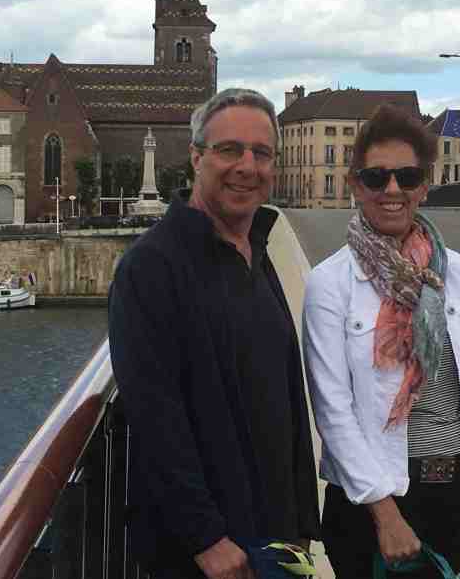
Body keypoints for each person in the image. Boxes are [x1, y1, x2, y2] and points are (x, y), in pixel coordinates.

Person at [108, 88, 320, 579]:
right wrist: (205, 537)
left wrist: (301, 521)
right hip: (209, 555)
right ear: (197, 157)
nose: (247, 166)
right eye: (229, 150)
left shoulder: (255, 248)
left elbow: (287, 398)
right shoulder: (152, 266)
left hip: (275, 539)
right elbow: (154, 412)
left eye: (261, 153)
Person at [303, 105, 460, 578]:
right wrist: (385, 514)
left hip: (456, 496)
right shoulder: (330, 283)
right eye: (376, 178)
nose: (392, 189)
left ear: (424, 185)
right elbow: (333, 410)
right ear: (357, 185)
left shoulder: (454, 271)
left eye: (407, 176)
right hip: (372, 502)